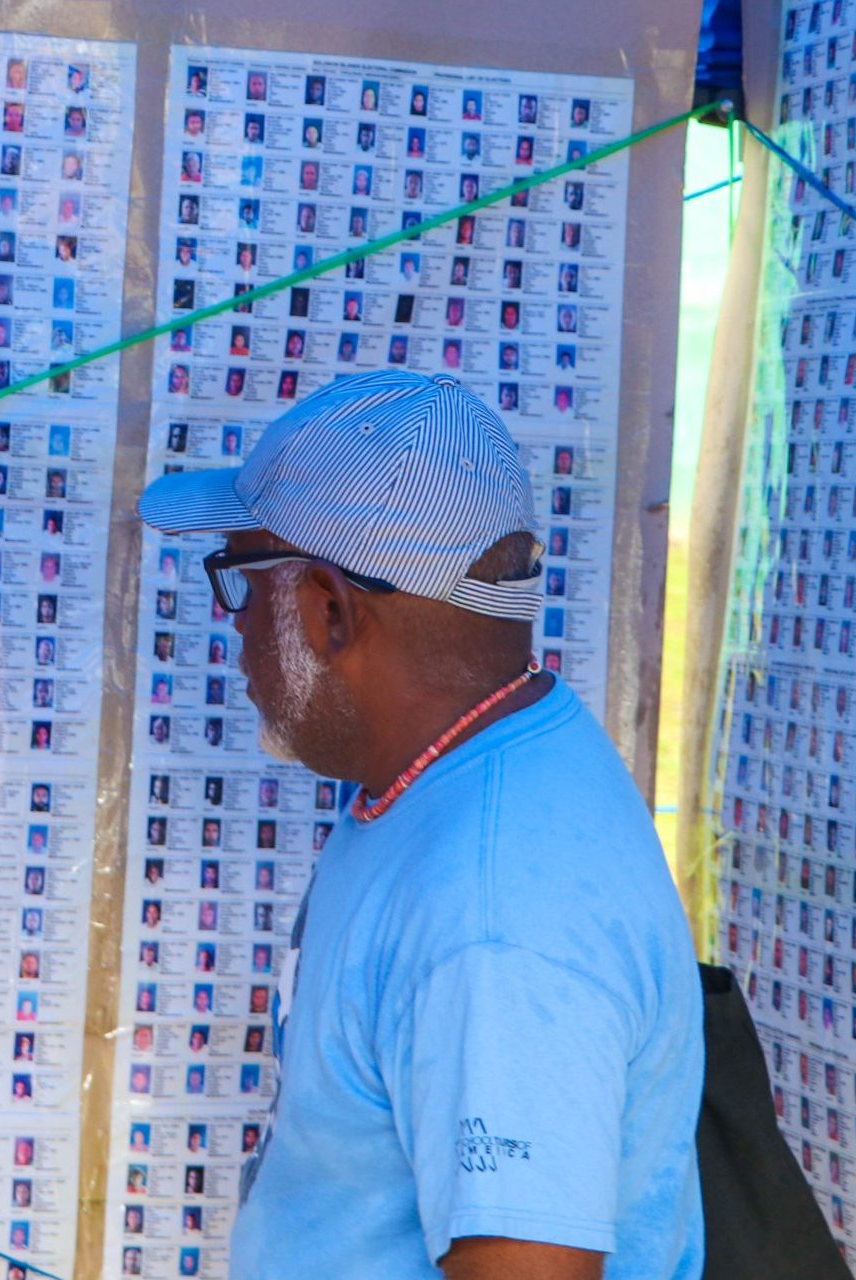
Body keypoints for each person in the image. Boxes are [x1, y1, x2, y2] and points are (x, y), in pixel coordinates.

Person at [137, 369, 701, 1280]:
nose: (234, 629)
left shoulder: (493, 921)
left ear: (329, 611)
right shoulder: (473, 761)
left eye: (243, 582)